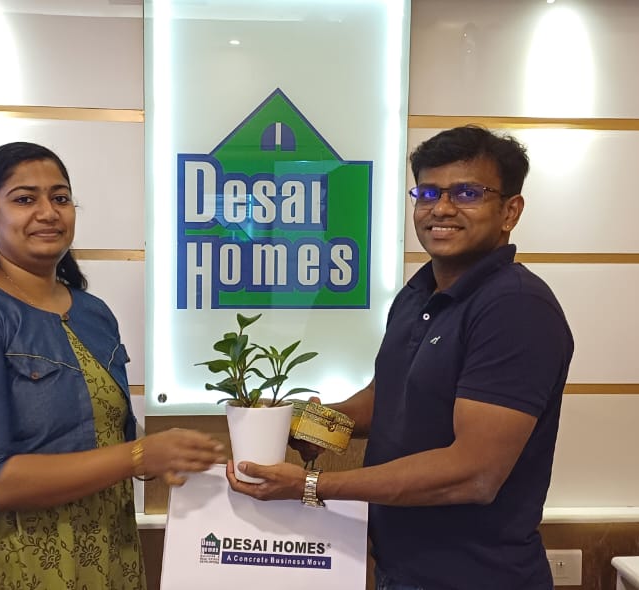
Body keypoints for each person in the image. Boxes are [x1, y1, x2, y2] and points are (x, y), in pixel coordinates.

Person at [226, 126, 574, 589]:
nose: (441, 208)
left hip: (479, 578)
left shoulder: (515, 307)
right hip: (398, 570)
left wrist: (311, 485)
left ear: (510, 211)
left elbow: (474, 474)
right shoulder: (417, 294)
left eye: (467, 193)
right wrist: (312, 424)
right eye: (428, 192)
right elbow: (388, 398)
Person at [0, 141, 225, 589]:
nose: (48, 212)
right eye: (24, 199)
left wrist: (172, 454)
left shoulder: (93, 312)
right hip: (0, 554)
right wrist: (138, 455)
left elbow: (103, 436)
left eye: (60, 197)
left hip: (99, 545)